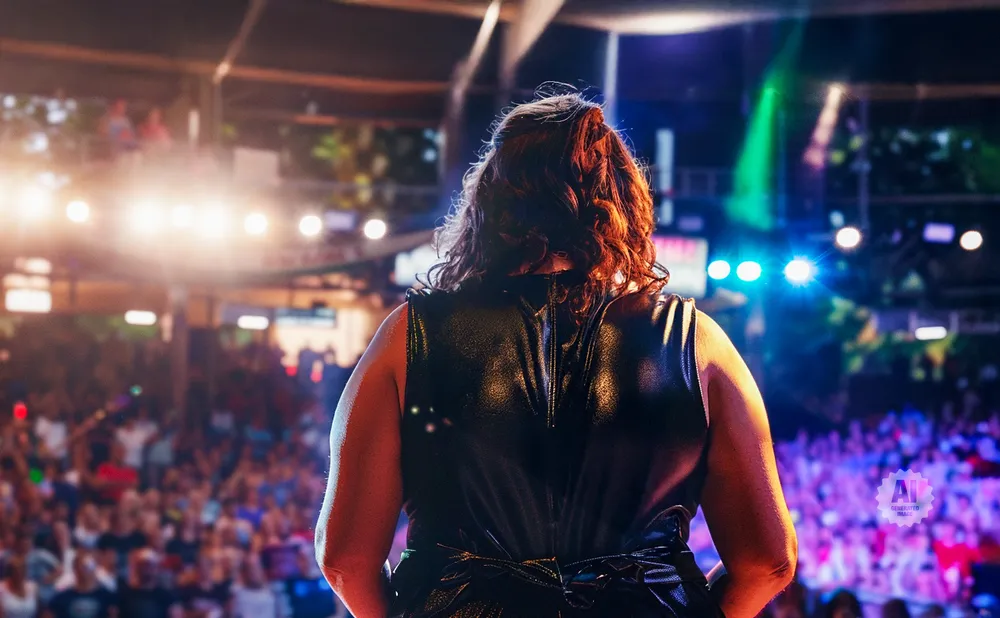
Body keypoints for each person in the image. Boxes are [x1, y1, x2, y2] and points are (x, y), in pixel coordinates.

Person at [315, 93, 797, 617]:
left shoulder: (410, 337)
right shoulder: (698, 343)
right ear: (622, 200)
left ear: (490, 205)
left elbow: (344, 558)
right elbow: (768, 561)